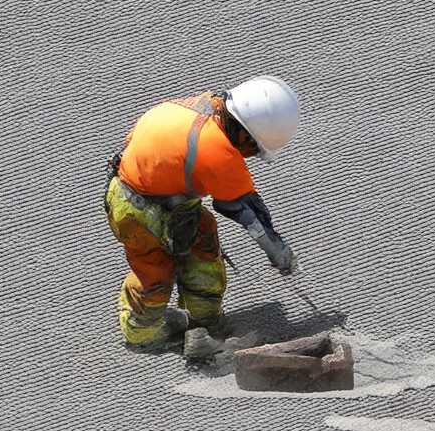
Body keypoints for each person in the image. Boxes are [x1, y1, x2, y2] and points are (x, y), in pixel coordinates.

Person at [104, 77, 302, 349]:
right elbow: (246, 211)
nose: (250, 156)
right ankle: (144, 332)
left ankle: (203, 321)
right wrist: (278, 252)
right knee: (155, 270)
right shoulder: (219, 154)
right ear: (245, 134)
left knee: (201, 244)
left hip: (138, 192)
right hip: (135, 210)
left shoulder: (195, 105)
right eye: (254, 149)